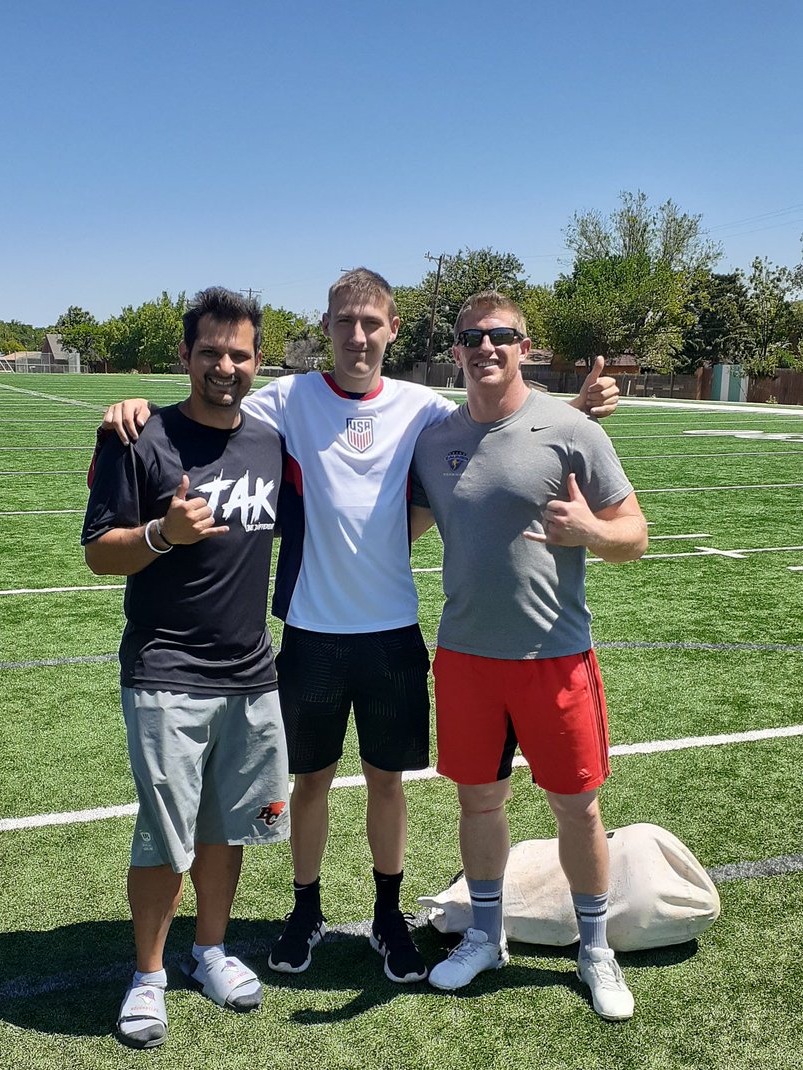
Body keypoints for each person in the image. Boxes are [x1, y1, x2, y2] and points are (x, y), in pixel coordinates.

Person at [99, 268, 620, 988]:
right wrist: (136, 406)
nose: (358, 335)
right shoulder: (288, 397)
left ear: (393, 330)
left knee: (386, 784)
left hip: (391, 631)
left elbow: (499, 417)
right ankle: (304, 909)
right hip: (309, 631)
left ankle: (385, 913)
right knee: (308, 784)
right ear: (329, 327)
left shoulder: (422, 408)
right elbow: (211, 402)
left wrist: (578, 409)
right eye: (345, 321)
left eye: (372, 322)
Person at [409, 291, 648, 1020]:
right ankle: (485, 935)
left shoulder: (571, 429)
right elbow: (405, 526)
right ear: (456, 350)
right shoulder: (435, 440)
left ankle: (596, 948)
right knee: (478, 800)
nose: (486, 347)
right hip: (466, 657)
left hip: (554, 655)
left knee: (576, 808)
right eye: (472, 337)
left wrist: (591, 533)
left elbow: (634, 534)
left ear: (525, 345)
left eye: (501, 336)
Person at [82, 287, 289, 1048]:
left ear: (257, 360)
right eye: (211, 353)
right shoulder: (140, 436)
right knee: (163, 836)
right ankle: (148, 974)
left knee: (228, 828)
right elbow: (100, 552)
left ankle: (209, 951)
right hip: (167, 670)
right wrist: (163, 536)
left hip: (250, 671)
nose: (225, 366)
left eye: (239, 354)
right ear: (185, 357)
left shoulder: (270, 442)